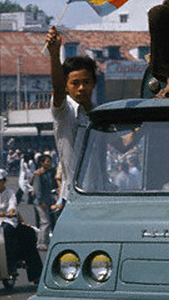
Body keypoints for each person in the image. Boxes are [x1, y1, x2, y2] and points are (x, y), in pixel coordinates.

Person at [45, 29, 97, 207]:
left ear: (94, 84)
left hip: (100, 194)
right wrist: (54, 54)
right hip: (73, 198)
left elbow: (123, 145)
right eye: (75, 83)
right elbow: (57, 89)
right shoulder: (64, 112)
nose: (81, 88)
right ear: (67, 86)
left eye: (86, 82)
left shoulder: (99, 115)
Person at [31, 154, 57, 251]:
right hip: (41, 202)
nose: (49, 164)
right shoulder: (38, 174)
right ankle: (41, 243)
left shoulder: (48, 173)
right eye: (47, 162)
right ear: (42, 163)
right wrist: (41, 201)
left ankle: (45, 241)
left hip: (47, 200)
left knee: (47, 222)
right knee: (45, 222)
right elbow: (37, 189)